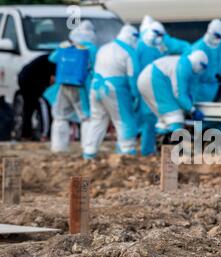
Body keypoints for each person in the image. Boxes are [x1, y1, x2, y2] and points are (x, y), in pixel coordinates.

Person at [83, 25, 140, 160]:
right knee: (123, 120)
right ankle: (127, 150)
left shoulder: (104, 48)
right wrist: (135, 95)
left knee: (97, 119)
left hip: (95, 87)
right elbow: (133, 77)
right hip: (115, 89)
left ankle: (89, 151)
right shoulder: (128, 52)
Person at [136, 20, 191, 156]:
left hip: (154, 87)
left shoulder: (159, 48)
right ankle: (148, 151)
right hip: (148, 86)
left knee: (159, 121)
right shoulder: (141, 47)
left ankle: (156, 150)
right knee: (151, 122)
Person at [137, 50, 208, 141]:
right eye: (203, 67)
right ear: (199, 63)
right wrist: (192, 110)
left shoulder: (182, 63)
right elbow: (179, 93)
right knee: (175, 117)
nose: (201, 70)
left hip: (148, 78)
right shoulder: (184, 66)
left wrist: (188, 104)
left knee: (165, 119)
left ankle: (161, 145)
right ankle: (173, 149)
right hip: (153, 79)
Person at [49, 21, 97, 152]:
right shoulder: (92, 49)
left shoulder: (68, 47)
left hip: (63, 84)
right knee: (86, 116)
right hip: (82, 86)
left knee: (60, 115)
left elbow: (52, 58)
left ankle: (58, 147)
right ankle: (87, 147)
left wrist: (63, 47)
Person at [18, 54, 56, 141]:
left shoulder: (52, 57)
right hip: (30, 80)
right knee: (43, 104)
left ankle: (26, 135)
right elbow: (52, 80)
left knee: (28, 108)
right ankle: (45, 134)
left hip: (24, 77)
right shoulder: (55, 61)